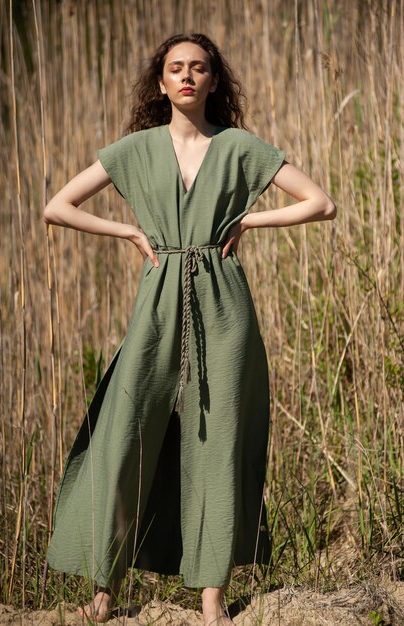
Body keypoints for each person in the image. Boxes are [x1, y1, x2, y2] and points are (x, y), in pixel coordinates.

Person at [43, 32, 336, 625]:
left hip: (224, 302)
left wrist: (252, 218)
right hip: (156, 297)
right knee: (126, 431)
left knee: (217, 441)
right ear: (160, 82)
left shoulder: (238, 147)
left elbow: (320, 202)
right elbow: (58, 206)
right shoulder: (135, 149)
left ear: (212, 81)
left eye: (198, 68)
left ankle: (212, 598)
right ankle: (103, 586)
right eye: (175, 68)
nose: (186, 77)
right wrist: (127, 231)